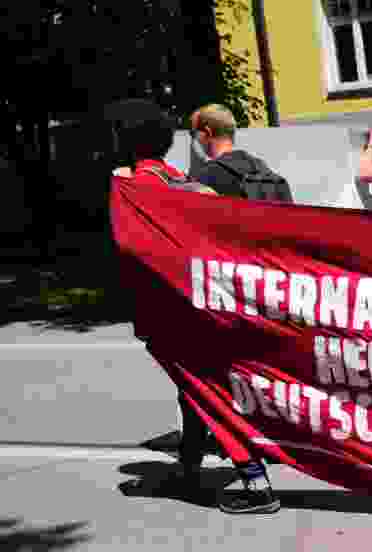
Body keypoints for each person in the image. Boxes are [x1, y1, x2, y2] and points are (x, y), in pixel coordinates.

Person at [110, 100, 280, 515]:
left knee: (205, 390)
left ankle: (255, 481)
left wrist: (119, 187)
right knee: (194, 389)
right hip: (205, 300)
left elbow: (128, 244)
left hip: (170, 307)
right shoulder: (181, 179)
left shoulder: (136, 185)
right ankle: (189, 465)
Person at [188, 103, 292, 202]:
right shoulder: (267, 174)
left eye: (193, 133)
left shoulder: (205, 180)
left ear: (208, 132)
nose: (194, 139)